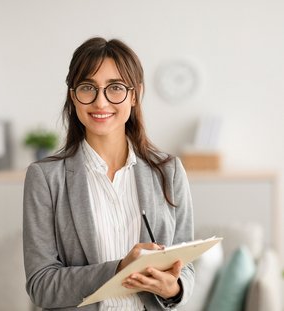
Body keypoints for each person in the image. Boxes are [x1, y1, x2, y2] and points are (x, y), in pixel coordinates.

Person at [23, 37, 194, 311]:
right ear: (73, 95)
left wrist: (172, 288)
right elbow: (41, 286)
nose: (100, 102)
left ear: (135, 94)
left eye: (115, 88)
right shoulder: (45, 177)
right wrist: (119, 269)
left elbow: (185, 266)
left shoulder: (168, 171)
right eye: (88, 87)